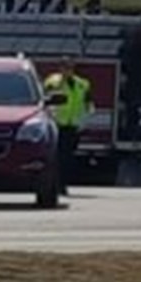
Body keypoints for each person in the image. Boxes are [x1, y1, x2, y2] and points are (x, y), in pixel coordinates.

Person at [43, 60, 92, 196]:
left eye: (69, 68)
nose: (66, 70)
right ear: (60, 68)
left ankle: (63, 184)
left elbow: (88, 104)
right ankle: (56, 185)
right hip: (57, 125)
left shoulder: (83, 84)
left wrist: (84, 121)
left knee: (67, 158)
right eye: (64, 67)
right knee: (56, 157)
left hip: (73, 126)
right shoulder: (52, 82)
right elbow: (45, 101)